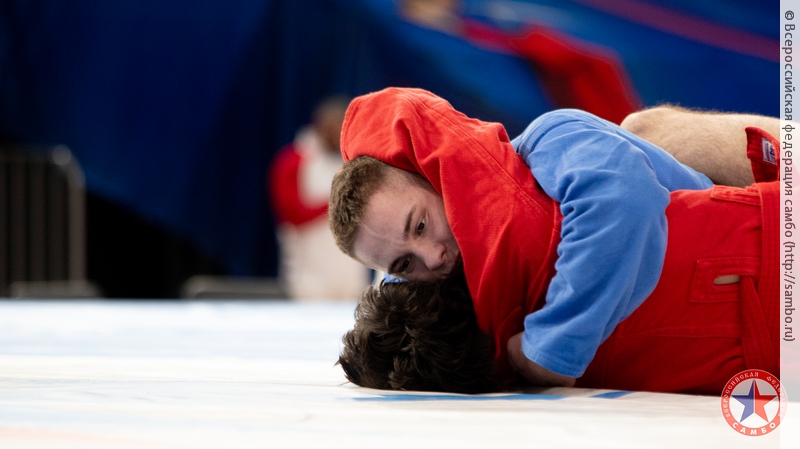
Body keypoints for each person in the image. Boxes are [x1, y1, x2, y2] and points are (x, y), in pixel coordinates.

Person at [330, 88, 778, 393]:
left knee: (646, 128)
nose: (433, 258)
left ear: (436, 176)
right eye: (404, 264)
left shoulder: (546, 143)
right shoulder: (451, 295)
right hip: (745, 352)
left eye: (420, 226)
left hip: (763, 264)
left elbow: (622, 199)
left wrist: (548, 348)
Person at [268, 96, 369, 300]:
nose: (336, 135)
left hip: (350, 274)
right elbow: (291, 215)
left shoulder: (354, 161)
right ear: (320, 127)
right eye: (332, 128)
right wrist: (338, 201)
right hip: (309, 276)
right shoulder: (293, 161)